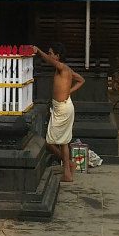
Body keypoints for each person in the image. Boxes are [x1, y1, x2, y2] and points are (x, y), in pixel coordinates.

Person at [33, 42, 85, 182]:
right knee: (63, 142)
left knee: (49, 142)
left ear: (57, 55)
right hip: (62, 106)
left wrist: (38, 51)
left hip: (63, 108)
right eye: (48, 52)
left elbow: (81, 80)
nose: (49, 55)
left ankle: (68, 166)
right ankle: (68, 172)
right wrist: (68, 91)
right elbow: (81, 80)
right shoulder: (65, 69)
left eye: (51, 53)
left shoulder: (62, 67)